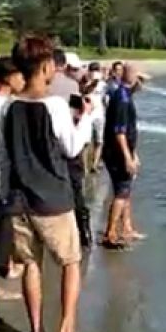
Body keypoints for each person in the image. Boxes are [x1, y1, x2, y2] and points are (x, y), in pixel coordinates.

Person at [0, 36, 96, 332]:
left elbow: (3, 155)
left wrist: (6, 196)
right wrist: (89, 118)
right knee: (70, 262)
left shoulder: (7, 106)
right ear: (45, 66)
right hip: (51, 198)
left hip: (17, 199)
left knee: (31, 265)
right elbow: (71, 147)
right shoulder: (53, 105)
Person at [101, 63, 145, 249]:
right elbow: (119, 132)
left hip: (123, 150)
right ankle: (110, 233)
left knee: (126, 190)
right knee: (121, 192)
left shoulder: (125, 95)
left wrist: (134, 154)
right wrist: (127, 157)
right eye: (140, 79)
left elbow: (128, 131)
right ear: (133, 77)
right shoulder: (122, 99)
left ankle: (126, 227)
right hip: (117, 153)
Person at [0, 57, 25, 301]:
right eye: (19, 75)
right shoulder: (7, 107)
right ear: (7, 78)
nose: (22, 80)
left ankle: (7, 266)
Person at [67, 83, 97, 250]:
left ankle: (84, 234)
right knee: (77, 196)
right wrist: (85, 115)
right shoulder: (80, 119)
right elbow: (81, 142)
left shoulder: (72, 117)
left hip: (70, 160)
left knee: (76, 196)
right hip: (72, 159)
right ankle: (84, 234)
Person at [85, 62, 109, 171]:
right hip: (88, 114)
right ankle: (85, 164)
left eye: (97, 70)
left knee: (99, 141)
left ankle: (94, 164)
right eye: (93, 70)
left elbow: (105, 99)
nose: (95, 72)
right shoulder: (85, 82)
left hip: (100, 114)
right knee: (86, 141)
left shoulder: (103, 85)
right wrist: (93, 83)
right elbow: (84, 91)